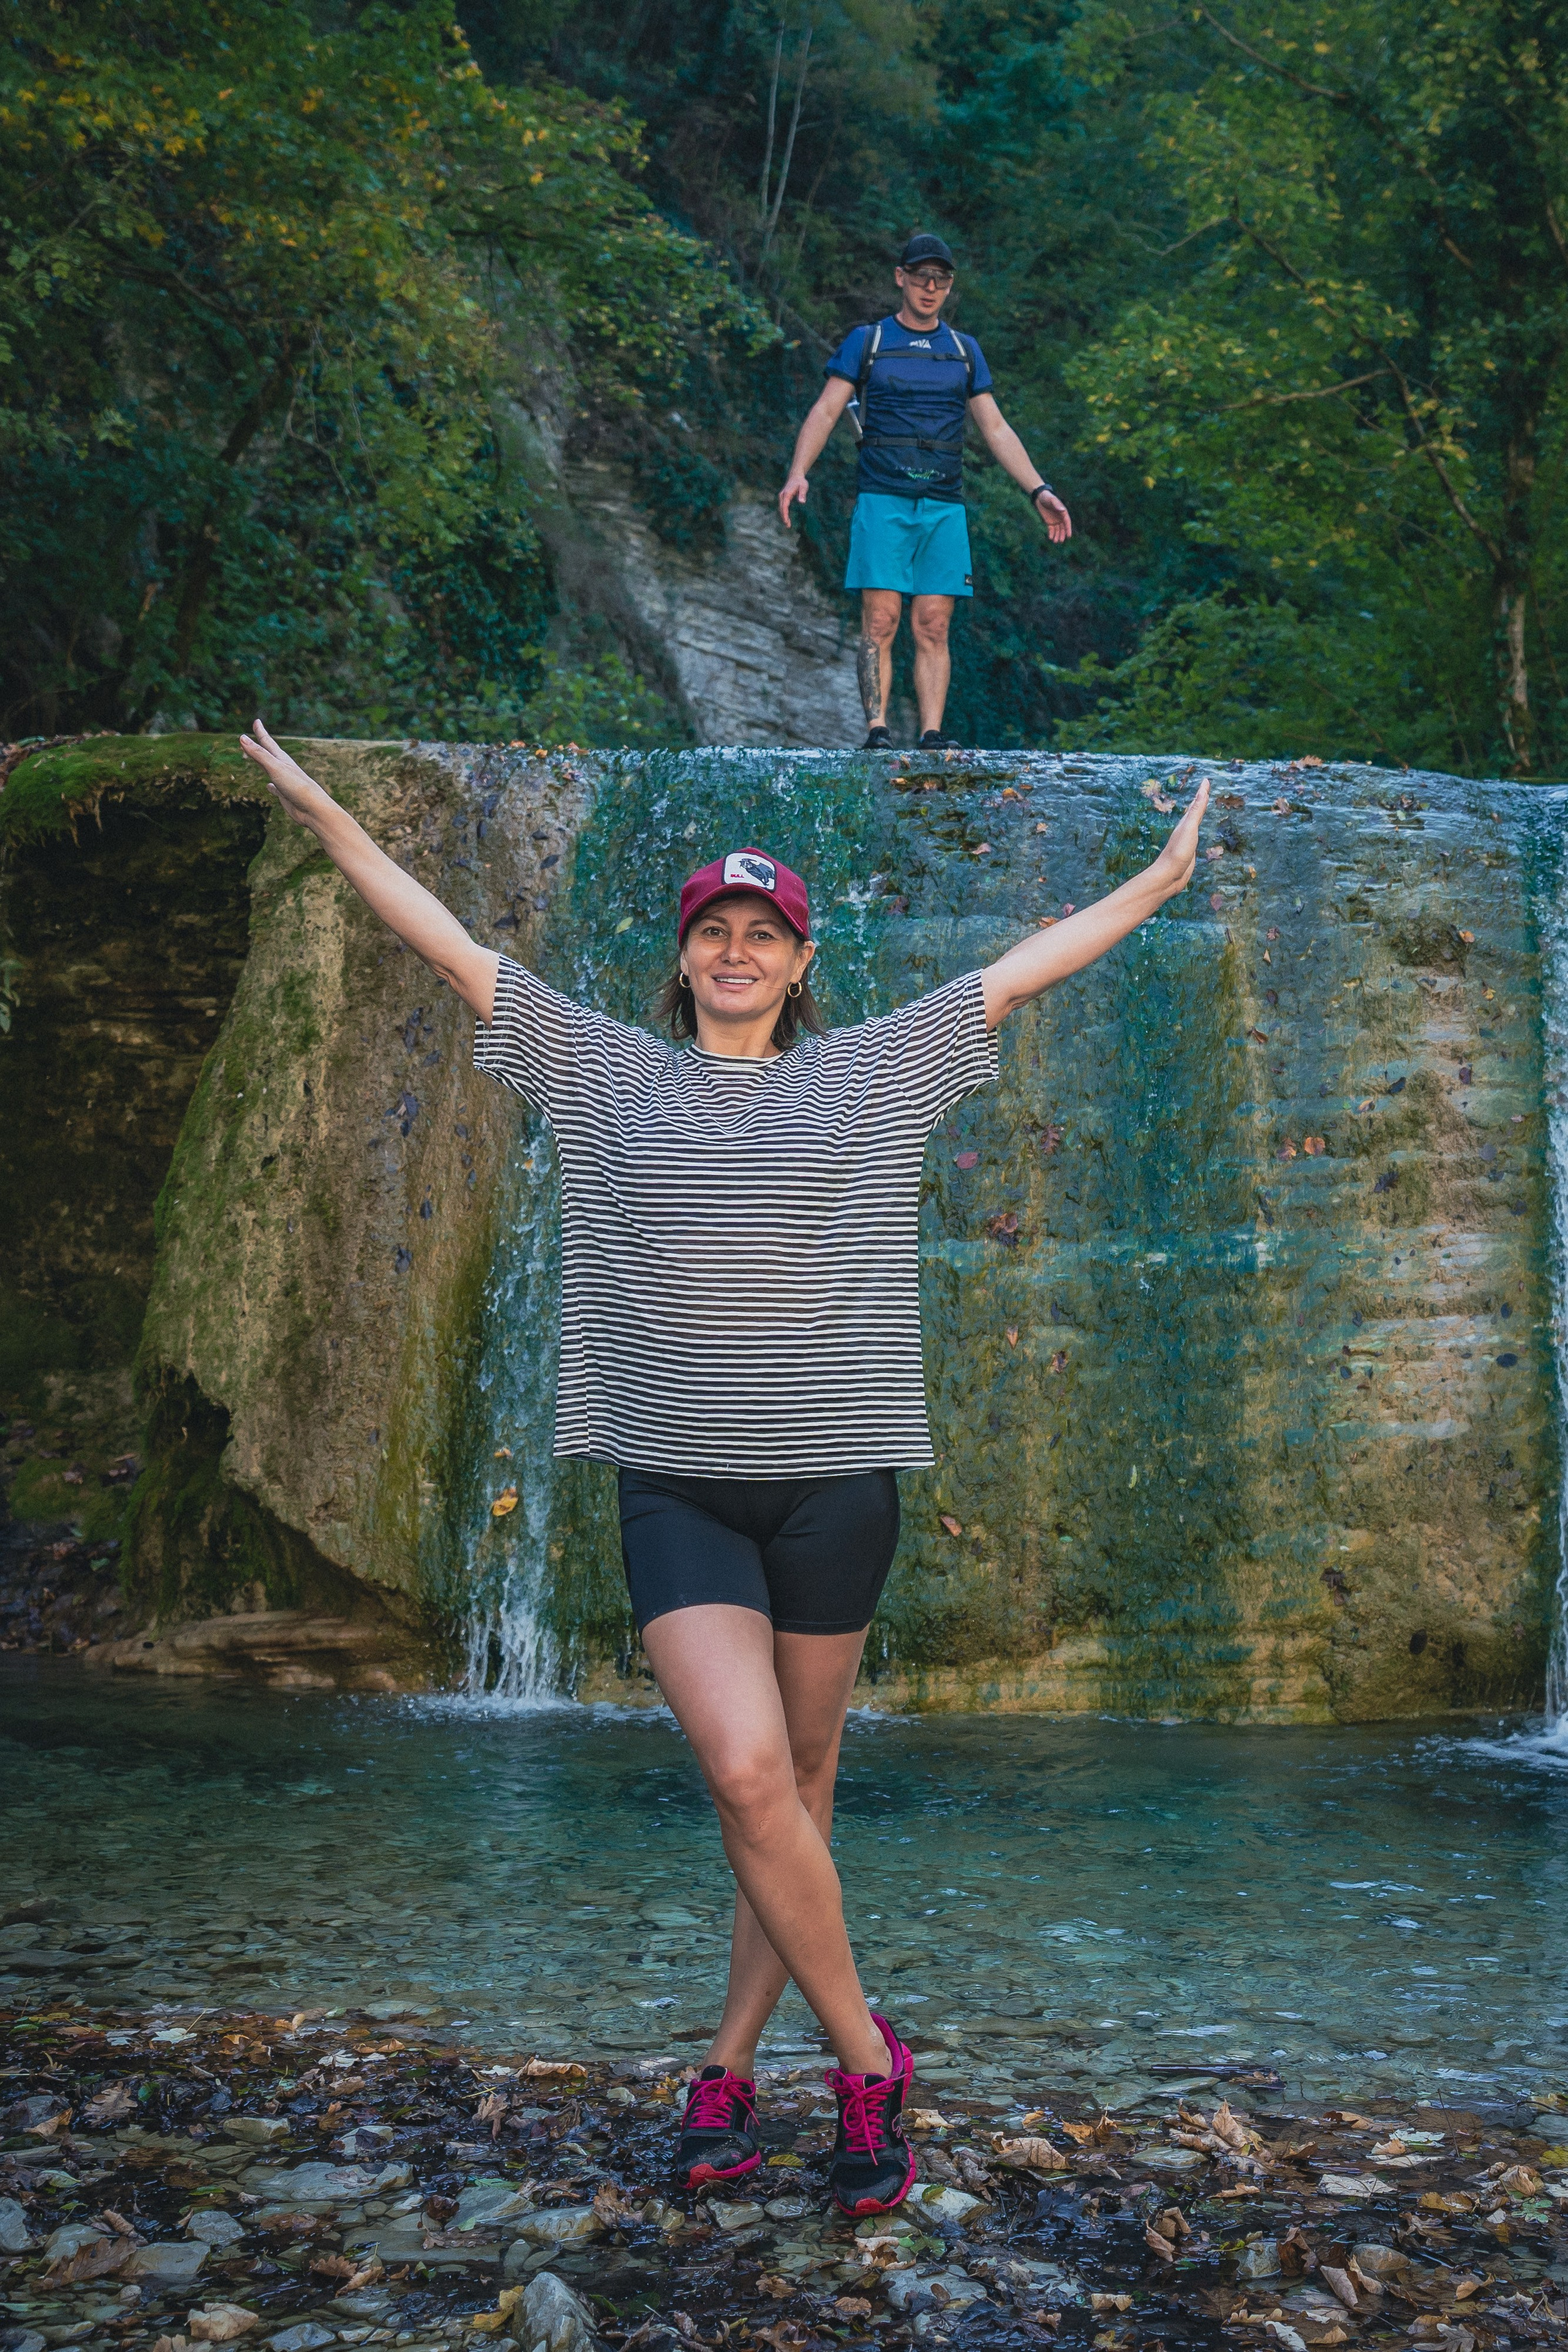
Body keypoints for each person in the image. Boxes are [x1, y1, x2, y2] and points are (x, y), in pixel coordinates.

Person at [238, 717, 1208, 2217]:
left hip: (837, 1483)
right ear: (684, 958)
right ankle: (868, 2057)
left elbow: (1021, 967)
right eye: (715, 932)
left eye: (764, 932)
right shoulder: (602, 1069)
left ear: (799, 962)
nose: (737, 951)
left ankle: (726, 2067)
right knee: (747, 1772)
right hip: (678, 1487)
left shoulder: (878, 1075)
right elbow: (446, 942)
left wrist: (1153, 880)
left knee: (797, 1794)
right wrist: (324, 815)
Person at [778, 232, 1072, 752]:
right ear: (901, 278)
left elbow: (996, 428)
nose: (930, 287)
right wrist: (800, 470)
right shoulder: (868, 342)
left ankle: (933, 735)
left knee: (933, 623)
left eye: (941, 279)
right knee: (882, 619)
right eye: (921, 277)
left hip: (942, 505)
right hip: (882, 498)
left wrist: (1038, 490)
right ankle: (877, 731)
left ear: (950, 285)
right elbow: (827, 410)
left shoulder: (963, 351)